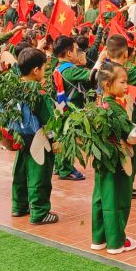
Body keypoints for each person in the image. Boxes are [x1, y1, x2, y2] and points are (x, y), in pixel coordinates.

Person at [90, 61, 136, 254]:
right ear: (107, 85)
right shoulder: (115, 108)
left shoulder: (98, 103)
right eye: (122, 82)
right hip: (117, 160)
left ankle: (99, 238)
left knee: (101, 197)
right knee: (118, 199)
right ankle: (116, 241)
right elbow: (131, 134)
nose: (126, 86)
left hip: (102, 159)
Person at [10, 47, 59, 225]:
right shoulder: (39, 93)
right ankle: (39, 212)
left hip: (19, 137)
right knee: (40, 174)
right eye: (44, 68)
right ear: (36, 70)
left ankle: (19, 205)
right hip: (38, 139)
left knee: (20, 172)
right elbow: (49, 121)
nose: (45, 71)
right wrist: (55, 140)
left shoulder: (13, 88)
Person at [51, 36, 90, 181]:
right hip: (71, 109)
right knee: (68, 138)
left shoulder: (57, 67)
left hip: (61, 107)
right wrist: (100, 61)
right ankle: (66, 169)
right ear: (69, 53)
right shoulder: (70, 71)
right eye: (75, 50)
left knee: (61, 136)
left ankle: (59, 165)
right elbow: (91, 75)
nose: (77, 52)